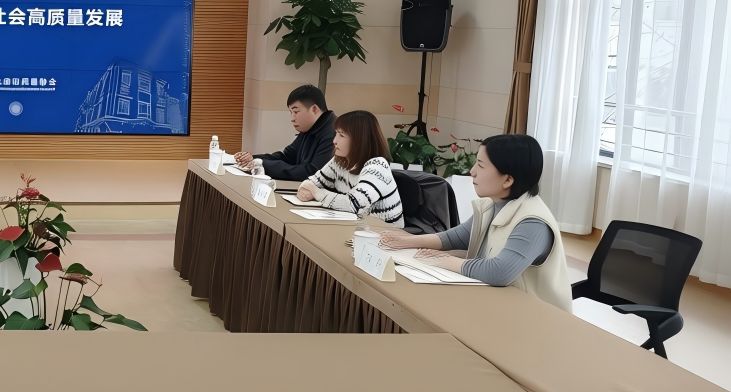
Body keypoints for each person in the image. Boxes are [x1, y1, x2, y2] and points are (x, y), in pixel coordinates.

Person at [378, 134, 572, 312]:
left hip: (536, 317)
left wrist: (445, 260)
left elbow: (498, 272)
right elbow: (458, 237)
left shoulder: (532, 222)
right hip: (500, 306)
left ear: (507, 180)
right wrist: (407, 241)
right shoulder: (493, 205)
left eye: (481, 165)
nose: (472, 172)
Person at [297, 109, 404, 227]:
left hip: (384, 232)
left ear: (360, 140)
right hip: (357, 227)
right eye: (336, 133)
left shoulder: (377, 167)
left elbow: (354, 204)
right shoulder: (339, 161)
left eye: (341, 135)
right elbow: (312, 182)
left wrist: (317, 193)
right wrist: (309, 189)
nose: (334, 141)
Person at [233, 85, 335, 180]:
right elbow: (287, 157)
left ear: (314, 109)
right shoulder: (311, 127)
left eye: (296, 112)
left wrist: (263, 165)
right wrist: (253, 159)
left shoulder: (334, 133)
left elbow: (312, 172)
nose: (292, 119)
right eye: (291, 113)